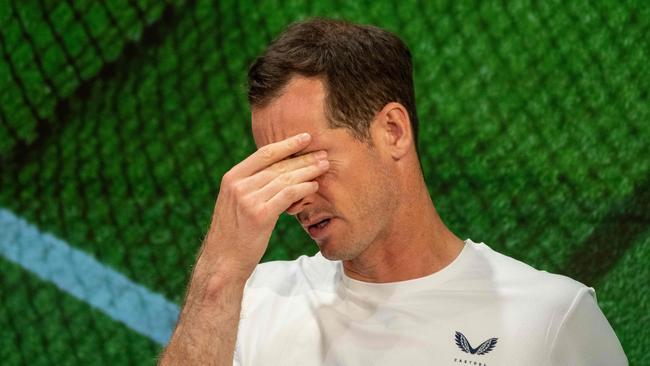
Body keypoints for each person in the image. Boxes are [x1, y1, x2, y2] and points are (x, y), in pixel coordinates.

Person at [158, 18, 627, 366]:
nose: (292, 197)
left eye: (305, 160)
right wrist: (220, 273)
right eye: (277, 167)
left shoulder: (552, 321)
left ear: (392, 131)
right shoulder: (255, 301)